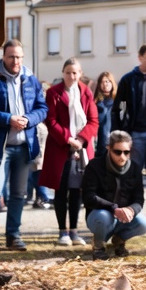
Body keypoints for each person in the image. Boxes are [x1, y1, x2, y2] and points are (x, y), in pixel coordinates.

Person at [0, 39, 47, 252]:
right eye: (11, 57)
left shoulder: (30, 79)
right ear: (3, 57)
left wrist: (29, 119)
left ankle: (14, 236)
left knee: (19, 194)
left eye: (19, 57)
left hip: (24, 146)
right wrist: (8, 119)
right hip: (0, 147)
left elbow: (42, 108)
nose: (16, 61)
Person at [40, 58, 99, 246]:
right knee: (61, 190)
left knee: (76, 191)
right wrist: (68, 139)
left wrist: (81, 139)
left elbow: (93, 120)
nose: (71, 76)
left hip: (81, 149)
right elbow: (51, 120)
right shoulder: (53, 93)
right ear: (63, 73)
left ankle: (74, 231)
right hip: (60, 148)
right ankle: (62, 232)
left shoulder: (86, 92)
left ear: (80, 74)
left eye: (75, 73)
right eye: (68, 72)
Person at [112, 42, 146, 227]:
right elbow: (118, 108)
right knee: (133, 177)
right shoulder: (128, 80)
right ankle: (130, 218)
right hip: (135, 135)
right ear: (140, 57)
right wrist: (119, 135)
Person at [82, 131, 146, 260]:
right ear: (109, 148)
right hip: (101, 215)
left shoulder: (134, 168)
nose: (122, 156)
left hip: (123, 217)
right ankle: (98, 247)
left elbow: (139, 199)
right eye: (117, 152)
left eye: (126, 152)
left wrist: (131, 209)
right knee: (103, 216)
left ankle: (119, 240)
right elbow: (88, 197)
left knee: (143, 223)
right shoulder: (95, 166)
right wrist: (113, 208)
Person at [94, 71, 116, 154]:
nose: (105, 84)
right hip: (100, 141)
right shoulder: (95, 103)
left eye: (108, 81)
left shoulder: (117, 101)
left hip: (114, 139)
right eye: (102, 82)